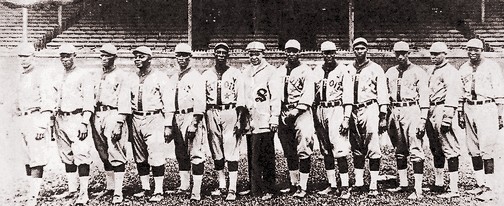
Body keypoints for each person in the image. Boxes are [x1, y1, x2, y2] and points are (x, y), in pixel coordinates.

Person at [459, 38, 504, 201]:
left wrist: (500, 113)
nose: (472, 52)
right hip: (469, 107)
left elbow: (499, 90)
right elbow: (461, 92)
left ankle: (490, 186)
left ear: (482, 50)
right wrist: (460, 112)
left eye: (476, 49)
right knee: (473, 147)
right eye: (469, 49)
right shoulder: (463, 68)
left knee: (487, 147)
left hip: (487, 106)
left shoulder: (491, 66)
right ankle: (480, 184)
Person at [130, 46, 175, 202]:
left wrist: (168, 125)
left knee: (156, 153)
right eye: (135, 57)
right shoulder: (132, 77)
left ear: (149, 59)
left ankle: (158, 190)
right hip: (136, 118)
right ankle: (145, 188)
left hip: (154, 117)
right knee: (140, 155)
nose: (137, 59)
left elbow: (168, 103)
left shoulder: (160, 77)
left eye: (141, 57)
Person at [385, 41, 429, 199]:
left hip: (412, 110)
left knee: (415, 148)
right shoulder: (390, 72)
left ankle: (418, 189)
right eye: (398, 53)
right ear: (394, 54)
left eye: (404, 53)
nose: (401, 56)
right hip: (394, 110)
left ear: (409, 53)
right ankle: (402, 184)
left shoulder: (418, 72)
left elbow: (424, 97)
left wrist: (423, 119)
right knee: (399, 149)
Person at [52, 43, 94, 205]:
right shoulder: (59, 75)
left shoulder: (83, 75)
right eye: (62, 56)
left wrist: (84, 122)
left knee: (81, 154)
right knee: (66, 155)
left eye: (68, 56)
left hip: (77, 118)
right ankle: (72, 189)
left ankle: (84, 192)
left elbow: (89, 101)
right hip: (61, 118)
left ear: (74, 56)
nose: (65, 59)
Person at [203, 42, 245, 201]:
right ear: (214, 54)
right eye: (218, 52)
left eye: (223, 53)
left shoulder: (235, 73)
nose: (221, 55)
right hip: (212, 111)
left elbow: (241, 97)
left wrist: (240, 119)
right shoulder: (207, 74)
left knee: (231, 148)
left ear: (227, 56)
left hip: (230, 111)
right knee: (216, 149)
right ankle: (221, 185)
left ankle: (232, 188)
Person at [347, 37, 389, 197]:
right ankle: (359, 182)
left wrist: (383, 115)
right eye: (356, 49)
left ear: (367, 50)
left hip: (370, 107)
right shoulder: (348, 68)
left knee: (372, 146)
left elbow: (382, 93)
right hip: (353, 109)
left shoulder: (376, 68)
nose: (359, 51)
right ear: (353, 50)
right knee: (356, 146)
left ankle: (373, 184)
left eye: (362, 48)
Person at [90, 43, 131, 204]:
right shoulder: (97, 74)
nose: (103, 59)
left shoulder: (121, 75)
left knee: (115, 150)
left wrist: (120, 122)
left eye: (107, 56)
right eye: (101, 55)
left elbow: (125, 100)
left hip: (113, 113)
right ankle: (110, 186)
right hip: (98, 113)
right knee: (102, 150)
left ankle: (119, 191)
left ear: (114, 57)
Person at [241, 41, 282, 200]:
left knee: (266, 154)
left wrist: (274, 117)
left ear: (263, 54)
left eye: (257, 54)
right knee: (252, 153)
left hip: (265, 118)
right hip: (251, 120)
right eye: (251, 54)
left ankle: (270, 188)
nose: (254, 57)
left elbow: (276, 97)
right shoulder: (245, 71)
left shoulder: (271, 71)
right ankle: (255, 187)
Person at [312, 41, 352, 199]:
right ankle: (332, 184)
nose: (328, 56)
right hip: (321, 109)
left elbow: (348, 97)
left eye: (331, 52)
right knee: (326, 149)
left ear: (335, 53)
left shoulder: (342, 70)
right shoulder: (317, 70)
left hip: (336, 109)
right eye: (325, 53)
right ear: (322, 54)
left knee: (340, 150)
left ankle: (345, 186)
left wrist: (346, 118)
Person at [13, 43, 52, 206]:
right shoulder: (19, 76)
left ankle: (33, 196)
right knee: (26, 157)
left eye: (26, 56)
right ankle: (31, 191)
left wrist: (42, 125)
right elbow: (16, 101)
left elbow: (48, 101)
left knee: (37, 158)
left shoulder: (41, 75)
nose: (23, 60)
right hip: (23, 118)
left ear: (33, 56)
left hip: (36, 117)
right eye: (21, 57)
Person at [277, 39, 315, 198]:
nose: (291, 54)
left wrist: (296, 111)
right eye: (288, 51)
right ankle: (294, 183)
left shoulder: (306, 70)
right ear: (285, 52)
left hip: (301, 111)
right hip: (284, 111)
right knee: (289, 149)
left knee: (304, 148)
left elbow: (308, 94)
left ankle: (304, 186)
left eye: (294, 51)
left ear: (299, 52)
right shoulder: (279, 70)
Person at [169, 43, 207, 201]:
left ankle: (196, 190)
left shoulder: (196, 76)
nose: (181, 58)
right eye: (179, 55)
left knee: (196, 153)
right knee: (181, 152)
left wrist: (195, 121)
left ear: (190, 57)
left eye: (185, 55)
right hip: (177, 116)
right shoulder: (173, 76)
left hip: (191, 115)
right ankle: (184, 186)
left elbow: (200, 100)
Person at [425, 42, 462, 198]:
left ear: (445, 54)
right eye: (432, 54)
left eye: (437, 54)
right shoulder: (431, 70)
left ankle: (454, 189)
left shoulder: (451, 71)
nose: (433, 57)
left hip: (442, 108)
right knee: (435, 147)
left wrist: (447, 117)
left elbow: (453, 94)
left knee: (449, 147)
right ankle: (439, 183)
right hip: (430, 108)